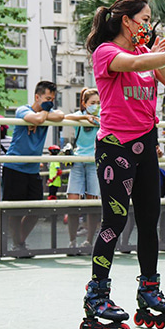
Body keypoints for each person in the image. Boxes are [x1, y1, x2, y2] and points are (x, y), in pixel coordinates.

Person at [81, 0, 165, 329]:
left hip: (146, 146)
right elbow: (133, 66)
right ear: (127, 20)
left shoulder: (143, 54)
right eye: (145, 19)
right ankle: (97, 293)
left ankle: (149, 288)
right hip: (115, 148)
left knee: (150, 220)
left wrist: (157, 56)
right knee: (115, 220)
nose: (148, 25)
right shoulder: (107, 52)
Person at [2, 81, 64, 254]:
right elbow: (35, 118)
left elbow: (60, 116)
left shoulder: (46, 112)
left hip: (32, 169)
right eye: (47, 99)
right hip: (14, 167)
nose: (50, 102)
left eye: (52, 99)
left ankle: (20, 241)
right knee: (14, 211)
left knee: (36, 210)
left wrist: (43, 114)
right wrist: (42, 115)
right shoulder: (22, 110)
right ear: (37, 97)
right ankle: (17, 244)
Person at [65, 88, 101, 249]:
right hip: (78, 161)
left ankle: (89, 241)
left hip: (94, 162)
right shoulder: (80, 116)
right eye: (92, 103)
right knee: (72, 203)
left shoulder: (103, 117)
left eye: (99, 103)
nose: (96, 106)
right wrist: (86, 117)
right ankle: (72, 241)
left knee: (92, 204)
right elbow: (65, 117)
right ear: (84, 104)